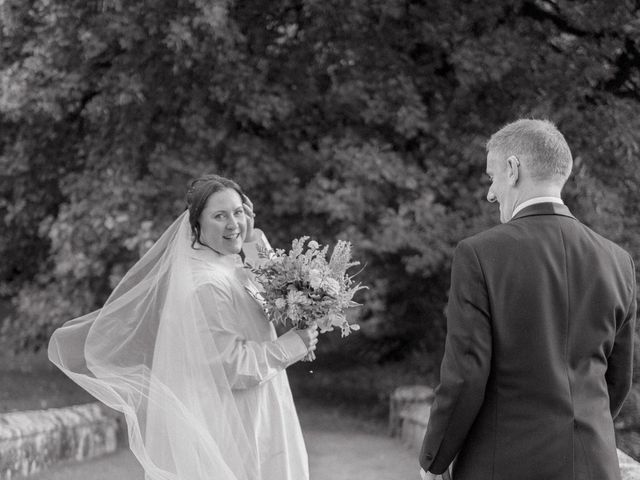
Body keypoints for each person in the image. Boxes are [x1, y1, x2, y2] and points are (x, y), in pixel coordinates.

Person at [48, 174, 318, 480]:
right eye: (220, 216)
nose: (233, 224)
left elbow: (273, 289)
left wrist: (254, 240)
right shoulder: (208, 285)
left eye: (238, 212)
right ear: (196, 225)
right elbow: (233, 365)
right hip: (241, 421)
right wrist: (295, 344)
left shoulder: (228, 264)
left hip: (265, 405)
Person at [419, 119, 636, 480]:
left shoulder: (479, 254)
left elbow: (466, 374)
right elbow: (618, 380)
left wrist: (435, 459)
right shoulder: (618, 260)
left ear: (513, 168)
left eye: (492, 177)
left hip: (503, 466)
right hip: (593, 464)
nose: (491, 193)